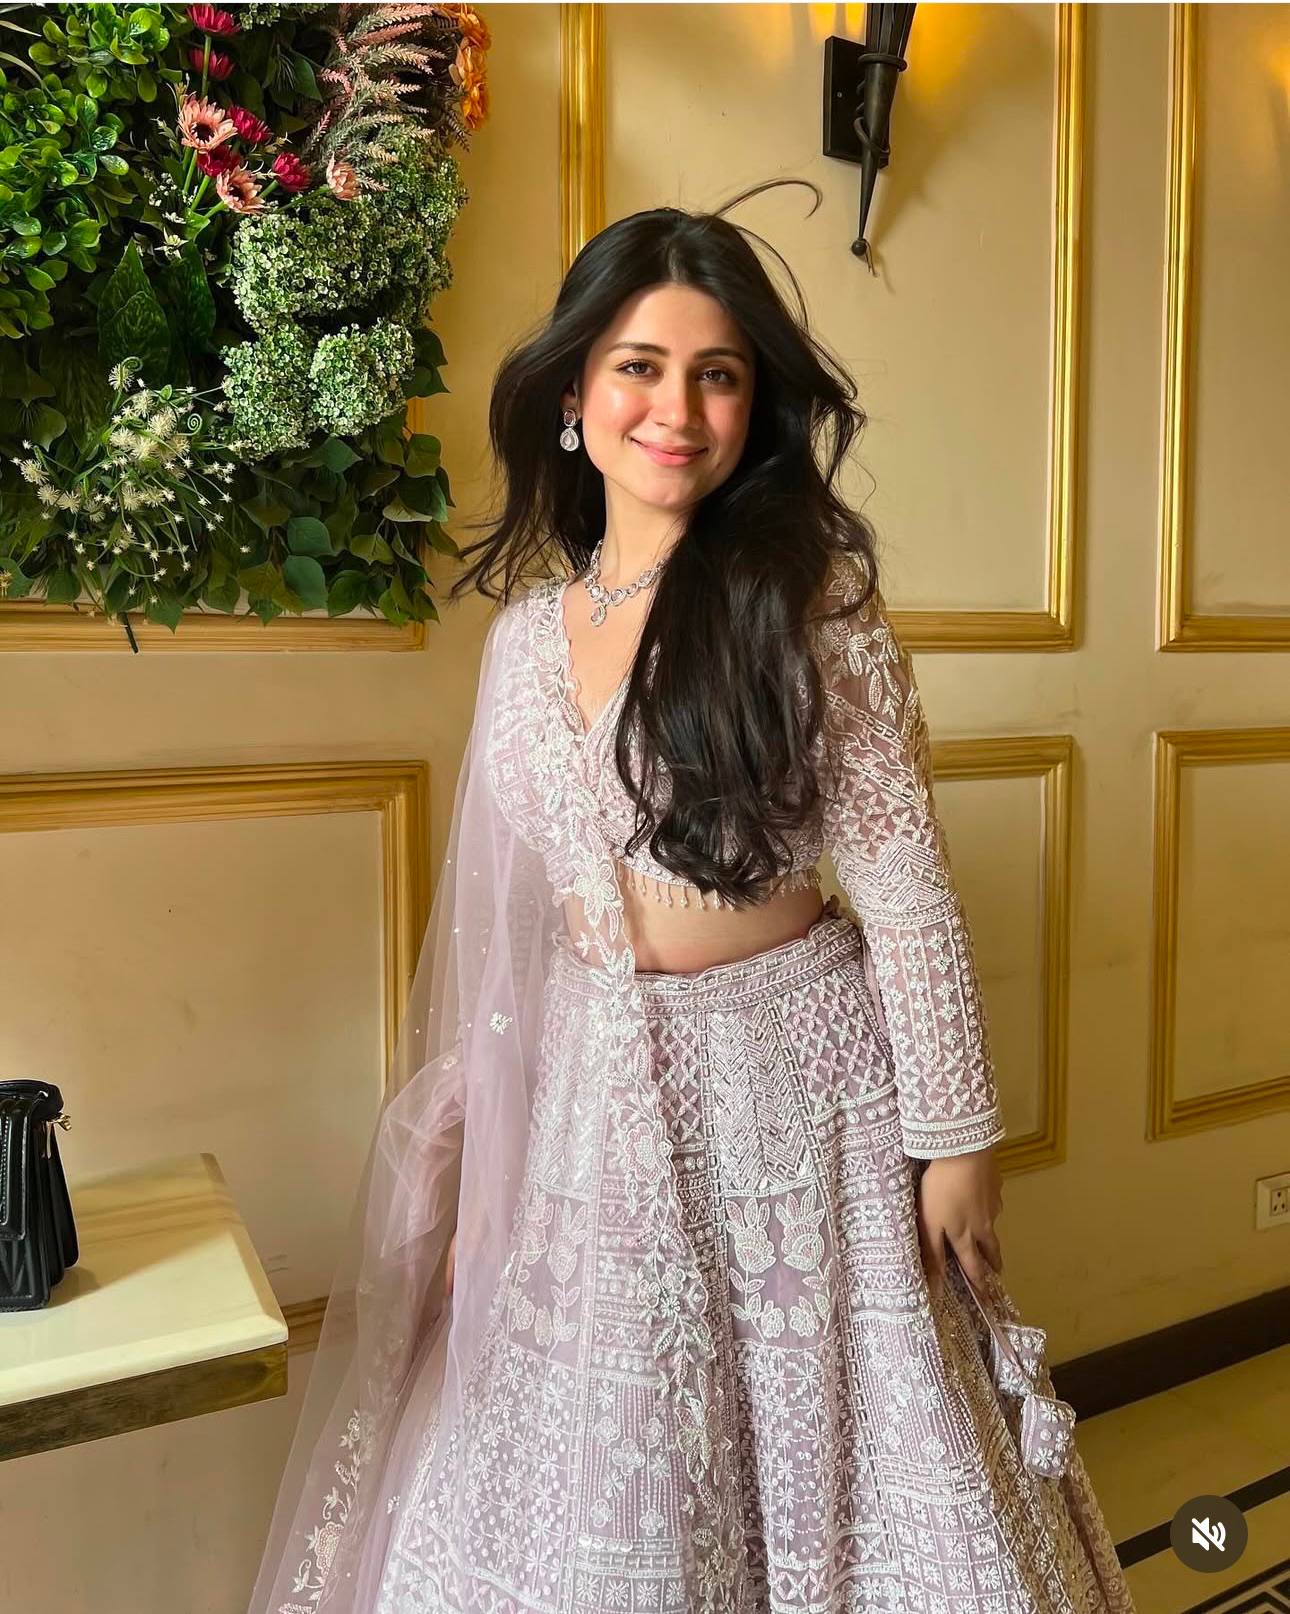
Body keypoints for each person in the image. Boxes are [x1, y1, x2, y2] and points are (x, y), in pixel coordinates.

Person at [246, 178, 1136, 1614]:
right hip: (594, 1103)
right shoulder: (523, 643)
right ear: (573, 396)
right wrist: (481, 1168)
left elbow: (907, 884)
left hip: (799, 1098)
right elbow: (511, 938)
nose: (677, 408)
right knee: (621, 1469)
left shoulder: (808, 604)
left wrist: (958, 1139)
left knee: (822, 1462)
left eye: (717, 375)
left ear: (754, 406)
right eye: (640, 367)